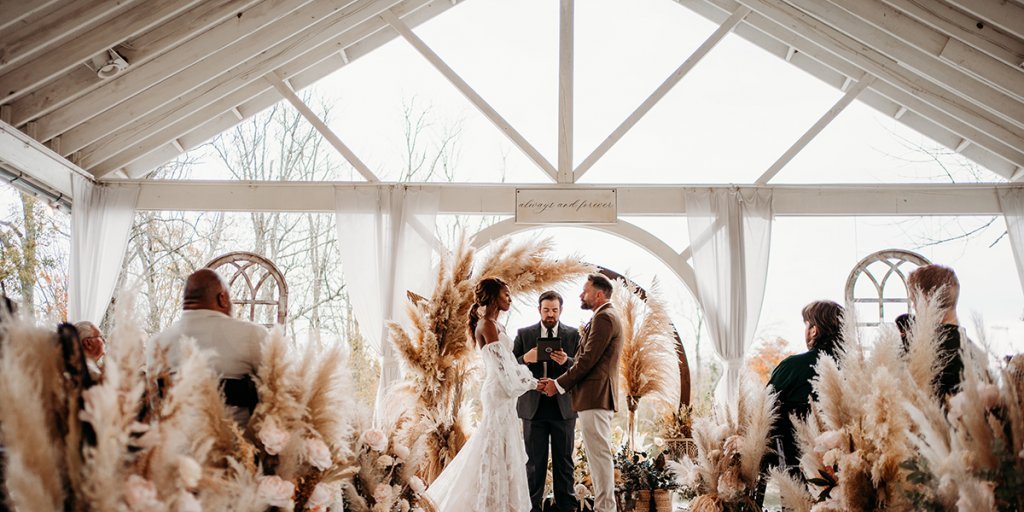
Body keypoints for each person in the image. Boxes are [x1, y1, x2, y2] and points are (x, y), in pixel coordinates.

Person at [426, 277, 539, 511]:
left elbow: (509, 364)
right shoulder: (486, 325)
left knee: (503, 446)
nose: (510, 298)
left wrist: (531, 381)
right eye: (506, 294)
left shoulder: (498, 326)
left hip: (504, 393)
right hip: (498, 392)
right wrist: (532, 383)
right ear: (493, 296)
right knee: (493, 446)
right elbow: (504, 372)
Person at [539, 274, 622, 512]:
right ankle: (604, 507)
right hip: (593, 397)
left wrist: (558, 384)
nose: (580, 295)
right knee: (598, 456)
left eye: (584, 291)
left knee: (600, 456)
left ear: (598, 294)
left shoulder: (605, 317)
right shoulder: (603, 316)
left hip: (595, 396)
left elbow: (587, 361)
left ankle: (605, 508)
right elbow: (588, 359)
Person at [148, 268, 267, 424]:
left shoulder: (156, 343)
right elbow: (275, 397)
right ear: (222, 298)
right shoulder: (253, 334)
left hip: (172, 445)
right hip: (235, 445)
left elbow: (154, 405)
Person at [513, 291, 581, 512]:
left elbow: (583, 367)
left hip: (564, 409)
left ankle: (567, 509)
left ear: (561, 310)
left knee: (564, 465)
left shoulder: (573, 335)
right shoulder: (524, 334)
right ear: (539, 310)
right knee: (533, 465)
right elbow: (509, 367)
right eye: (546, 310)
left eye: (554, 310)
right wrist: (526, 358)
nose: (550, 314)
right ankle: (530, 508)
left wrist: (567, 360)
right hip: (533, 408)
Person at [766, 300, 845, 471]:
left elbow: (764, 409)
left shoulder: (791, 367)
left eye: (807, 325)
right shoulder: (857, 369)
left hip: (798, 466)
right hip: (850, 465)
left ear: (814, 330)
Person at [906, 264, 977, 400]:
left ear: (926, 298)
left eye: (914, 300)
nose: (914, 307)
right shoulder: (971, 349)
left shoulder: (927, 353)